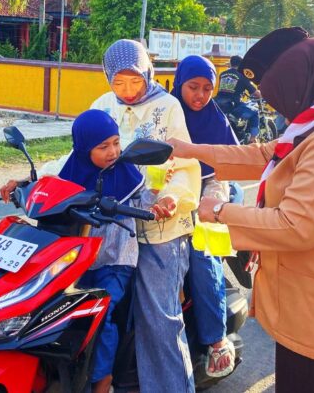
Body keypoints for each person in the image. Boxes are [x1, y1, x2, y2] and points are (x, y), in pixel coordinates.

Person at [170, 28, 314, 393]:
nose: (277, 107)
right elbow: (264, 155)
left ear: (305, 85)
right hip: (312, 309)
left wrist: (219, 210)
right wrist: (190, 150)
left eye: (282, 96)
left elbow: (295, 226)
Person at [0, 109, 145, 393]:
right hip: (77, 257)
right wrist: (21, 184)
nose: (113, 152)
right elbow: (47, 176)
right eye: (103, 146)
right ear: (83, 148)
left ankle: (102, 379)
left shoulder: (128, 172)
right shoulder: (72, 164)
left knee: (101, 312)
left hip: (115, 259)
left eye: (116, 143)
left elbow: (149, 195)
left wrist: (165, 202)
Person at [93, 39, 201, 393]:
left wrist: (171, 196)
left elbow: (185, 163)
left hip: (161, 228)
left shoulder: (167, 107)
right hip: (114, 226)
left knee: (159, 321)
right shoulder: (102, 105)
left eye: (135, 80)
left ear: (147, 74)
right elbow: (80, 154)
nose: (127, 90)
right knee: (104, 312)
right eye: (119, 82)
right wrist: (35, 179)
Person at [172, 55, 238, 379]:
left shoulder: (216, 120)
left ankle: (216, 340)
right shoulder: (166, 112)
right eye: (193, 87)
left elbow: (226, 168)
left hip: (210, 189)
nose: (200, 95)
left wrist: (209, 202)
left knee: (202, 250)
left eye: (207, 88)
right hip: (169, 191)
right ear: (179, 84)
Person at [215, 55, 260, 143]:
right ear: (241, 65)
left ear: (231, 63)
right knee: (255, 111)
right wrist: (262, 94)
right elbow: (256, 93)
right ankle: (252, 139)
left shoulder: (222, 74)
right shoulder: (242, 76)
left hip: (218, 105)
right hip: (234, 107)